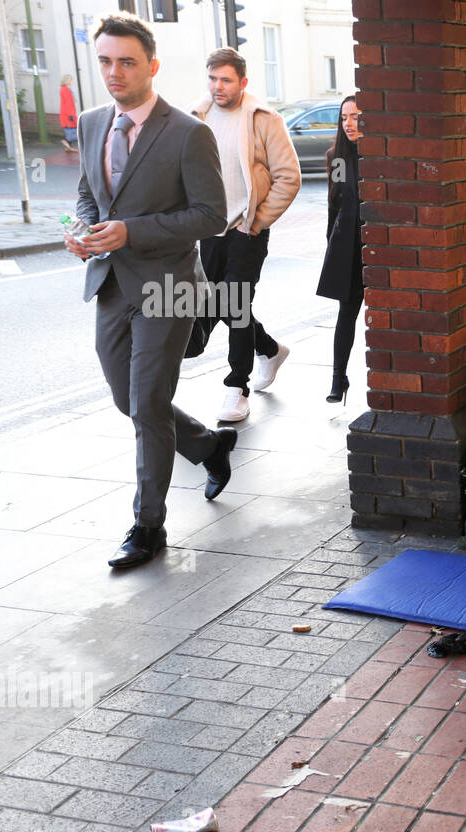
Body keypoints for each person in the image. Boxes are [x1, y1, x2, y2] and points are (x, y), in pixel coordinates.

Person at [65, 12, 236, 569]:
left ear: (152, 66)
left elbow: (212, 216)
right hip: (112, 282)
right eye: (105, 61)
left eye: (127, 62)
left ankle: (147, 527)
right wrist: (85, 231)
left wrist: (132, 230)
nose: (114, 72)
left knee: (146, 407)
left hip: (170, 287)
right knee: (131, 400)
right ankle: (208, 446)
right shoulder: (93, 123)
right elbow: (91, 195)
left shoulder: (189, 132)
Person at [190, 47, 301, 422]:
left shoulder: (263, 119)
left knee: (234, 304)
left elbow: (289, 176)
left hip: (246, 229)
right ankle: (269, 349)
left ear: (243, 82)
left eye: (226, 79)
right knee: (222, 303)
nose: (218, 86)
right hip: (210, 230)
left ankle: (236, 386)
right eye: (212, 78)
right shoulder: (197, 115)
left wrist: (258, 220)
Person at [316, 95, 364, 404]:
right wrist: (332, 245)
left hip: (379, 245)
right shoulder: (337, 157)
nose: (349, 123)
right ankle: (338, 378)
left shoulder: (380, 155)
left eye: (355, 116)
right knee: (346, 313)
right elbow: (334, 203)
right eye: (344, 117)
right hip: (348, 245)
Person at [59, 75, 78, 152]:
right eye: (71, 80)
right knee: (72, 130)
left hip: (67, 113)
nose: (72, 82)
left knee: (70, 129)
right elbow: (68, 103)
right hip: (68, 114)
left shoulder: (65, 89)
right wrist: (71, 115)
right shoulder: (65, 89)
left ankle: (68, 147)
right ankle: (66, 142)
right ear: (68, 81)